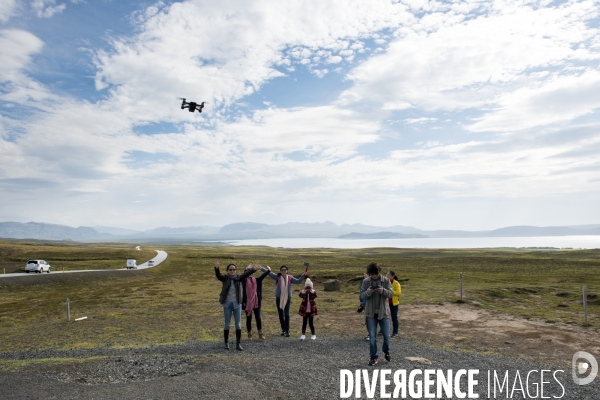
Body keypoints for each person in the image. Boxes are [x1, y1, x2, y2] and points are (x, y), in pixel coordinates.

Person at [215, 260, 260, 350]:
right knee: (227, 324)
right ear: (227, 270)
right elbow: (218, 276)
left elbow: (245, 275)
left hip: (237, 305)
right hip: (227, 304)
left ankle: (238, 344)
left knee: (238, 325)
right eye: (230, 269)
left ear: (236, 270)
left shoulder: (238, 278)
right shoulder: (225, 278)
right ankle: (226, 343)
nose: (232, 271)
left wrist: (253, 270)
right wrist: (216, 268)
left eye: (234, 269)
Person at [360, 262, 393, 366]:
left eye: (376, 273)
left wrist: (382, 290)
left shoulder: (386, 281)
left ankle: (386, 350)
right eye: (372, 274)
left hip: (384, 313)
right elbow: (362, 296)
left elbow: (391, 293)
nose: (374, 276)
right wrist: (368, 292)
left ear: (379, 271)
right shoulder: (366, 281)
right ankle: (373, 357)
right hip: (370, 314)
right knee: (372, 337)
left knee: (387, 336)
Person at [263, 265, 307, 337]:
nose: (283, 271)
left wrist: (302, 276)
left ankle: (287, 330)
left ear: (287, 271)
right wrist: (262, 268)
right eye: (282, 270)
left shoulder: (290, 278)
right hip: (279, 298)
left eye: (284, 270)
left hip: (287, 298)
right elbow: (269, 273)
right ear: (280, 271)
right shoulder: (277, 277)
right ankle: (283, 330)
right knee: (281, 314)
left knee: (286, 314)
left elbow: (298, 281)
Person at [241, 263, 271, 340]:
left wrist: (268, 270)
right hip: (247, 302)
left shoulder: (257, 280)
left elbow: (265, 274)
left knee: (258, 317)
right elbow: (243, 275)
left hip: (256, 302)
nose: (251, 274)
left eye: (252, 273)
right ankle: (249, 334)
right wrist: (246, 269)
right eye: (249, 272)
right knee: (249, 318)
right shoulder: (244, 281)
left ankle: (260, 333)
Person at [387, 270, 401, 337]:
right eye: (387, 275)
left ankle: (395, 332)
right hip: (386, 303)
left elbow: (398, 292)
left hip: (394, 303)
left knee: (394, 318)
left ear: (392, 276)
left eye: (388, 275)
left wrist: (391, 292)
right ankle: (383, 330)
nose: (387, 276)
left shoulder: (396, 283)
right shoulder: (386, 282)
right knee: (384, 317)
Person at [358, 272, 369, 341]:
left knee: (370, 318)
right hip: (364, 302)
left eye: (366, 274)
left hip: (370, 302)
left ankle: (371, 334)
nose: (364, 275)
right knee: (367, 318)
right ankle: (370, 333)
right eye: (364, 274)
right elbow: (361, 291)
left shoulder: (371, 282)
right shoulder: (363, 281)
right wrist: (361, 300)